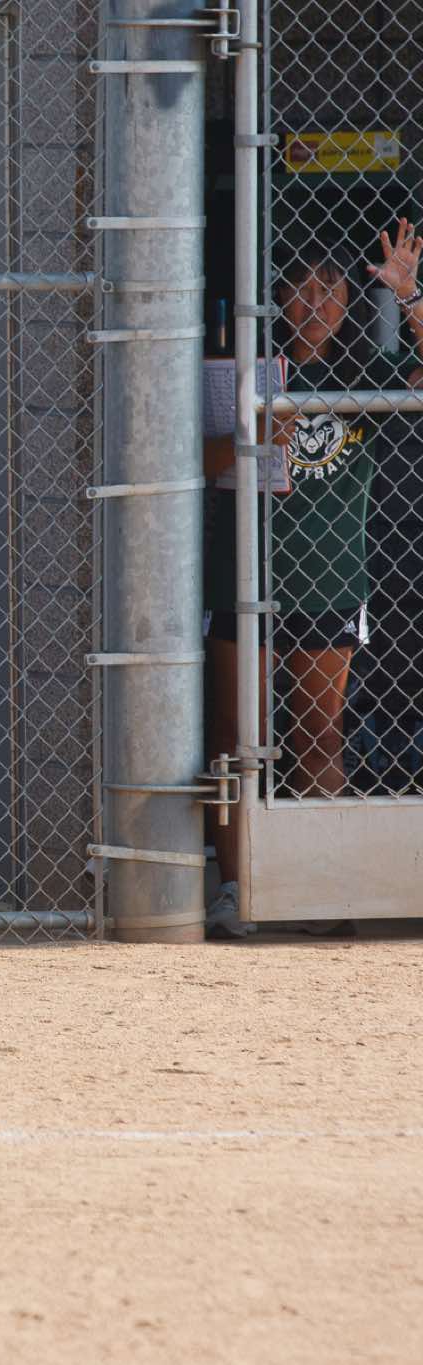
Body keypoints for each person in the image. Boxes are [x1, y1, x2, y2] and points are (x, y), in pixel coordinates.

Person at [206, 223, 423, 936]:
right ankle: (234, 889)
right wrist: (249, 442)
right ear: (277, 296)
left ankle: (318, 891)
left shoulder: (365, 372)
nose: (314, 302)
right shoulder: (251, 369)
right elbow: (191, 461)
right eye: (300, 286)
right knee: (237, 737)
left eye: (329, 287)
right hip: (244, 577)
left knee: (319, 735)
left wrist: (409, 295)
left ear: (349, 298)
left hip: (329, 582)